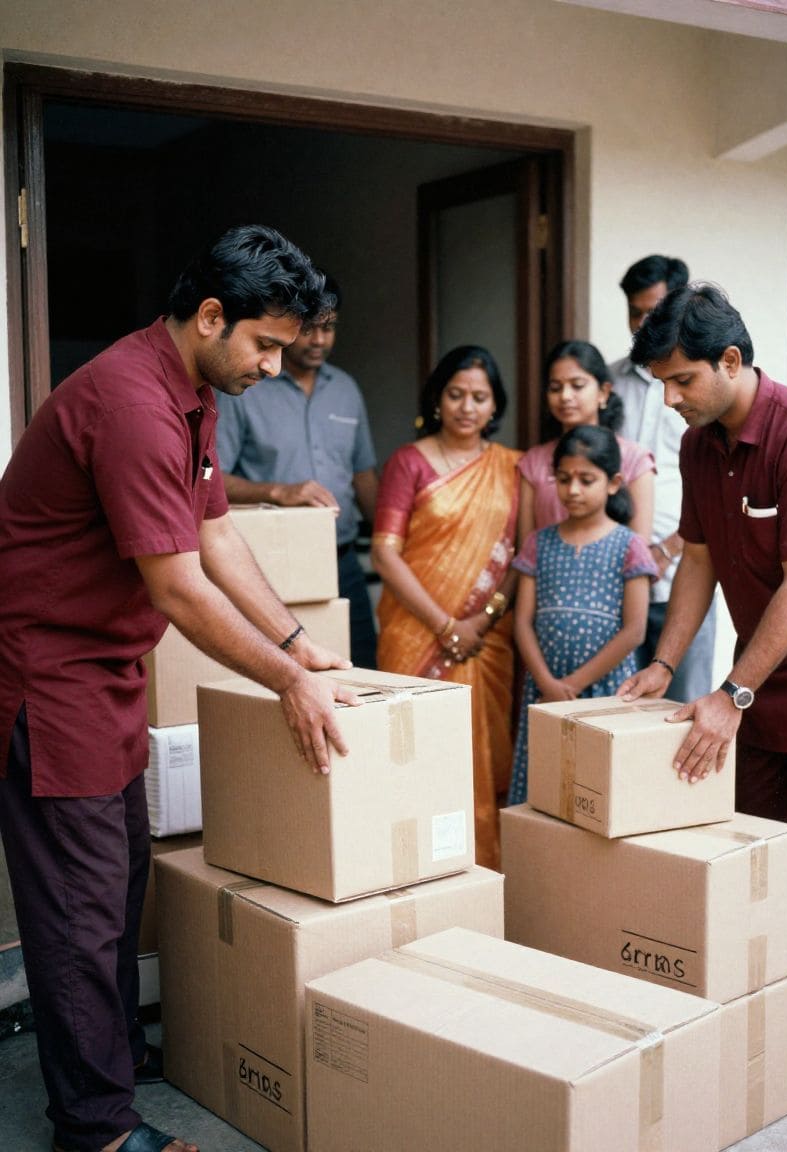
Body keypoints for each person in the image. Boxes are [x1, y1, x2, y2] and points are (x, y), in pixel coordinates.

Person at [0, 225, 361, 1152]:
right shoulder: (130, 402)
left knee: (117, 890)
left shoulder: (191, 391)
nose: (275, 367)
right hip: (48, 679)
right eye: (266, 344)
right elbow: (175, 584)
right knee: (81, 914)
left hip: (104, 676)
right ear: (210, 316)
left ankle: (108, 1063)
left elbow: (218, 536)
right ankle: (98, 1131)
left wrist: (297, 641)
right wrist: (285, 681)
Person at [617, 283, 787, 1106]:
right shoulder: (703, 445)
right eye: (660, 384)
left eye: (681, 381)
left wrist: (730, 695)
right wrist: (668, 665)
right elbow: (697, 561)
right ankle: (764, 992)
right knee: (761, 842)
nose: (669, 401)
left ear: (731, 362)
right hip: (760, 670)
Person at [372, 345, 520, 870]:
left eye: (479, 397)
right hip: (414, 634)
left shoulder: (513, 468)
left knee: (487, 762)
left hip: (487, 639)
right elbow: (384, 553)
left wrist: (482, 618)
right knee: (411, 760)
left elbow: (518, 557)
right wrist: (445, 624)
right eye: (456, 394)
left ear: (494, 405)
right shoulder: (408, 462)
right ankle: (409, 872)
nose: (466, 406)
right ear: (438, 398)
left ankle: (486, 876)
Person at [216, 274, 379, 668]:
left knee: (362, 667)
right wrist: (278, 492)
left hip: (343, 562)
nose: (319, 340)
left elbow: (363, 478)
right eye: (308, 329)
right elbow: (211, 481)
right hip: (271, 562)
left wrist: (391, 544)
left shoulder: (346, 389)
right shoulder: (247, 386)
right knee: (285, 672)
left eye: (329, 328)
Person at [509, 425, 656, 804]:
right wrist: (547, 683)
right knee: (543, 789)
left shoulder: (630, 546)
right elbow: (523, 621)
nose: (573, 490)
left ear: (613, 483)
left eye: (586, 479)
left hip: (604, 691)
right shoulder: (538, 543)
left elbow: (634, 631)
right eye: (564, 479)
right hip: (544, 689)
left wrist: (571, 686)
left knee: (598, 794)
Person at [610, 255, 716, 701]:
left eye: (652, 312)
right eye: (634, 312)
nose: (641, 324)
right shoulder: (608, 382)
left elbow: (714, 484)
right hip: (616, 580)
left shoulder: (704, 388)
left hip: (684, 571)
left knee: (683, 706)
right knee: (621, 708)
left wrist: (668, 549)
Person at [517, 339, 655, 544]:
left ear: (603, 392)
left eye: (577, 385)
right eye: (555, 388)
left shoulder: (635, 460)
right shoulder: (534, 462)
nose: (565, 396)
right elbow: (526, 551)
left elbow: (639, 553)